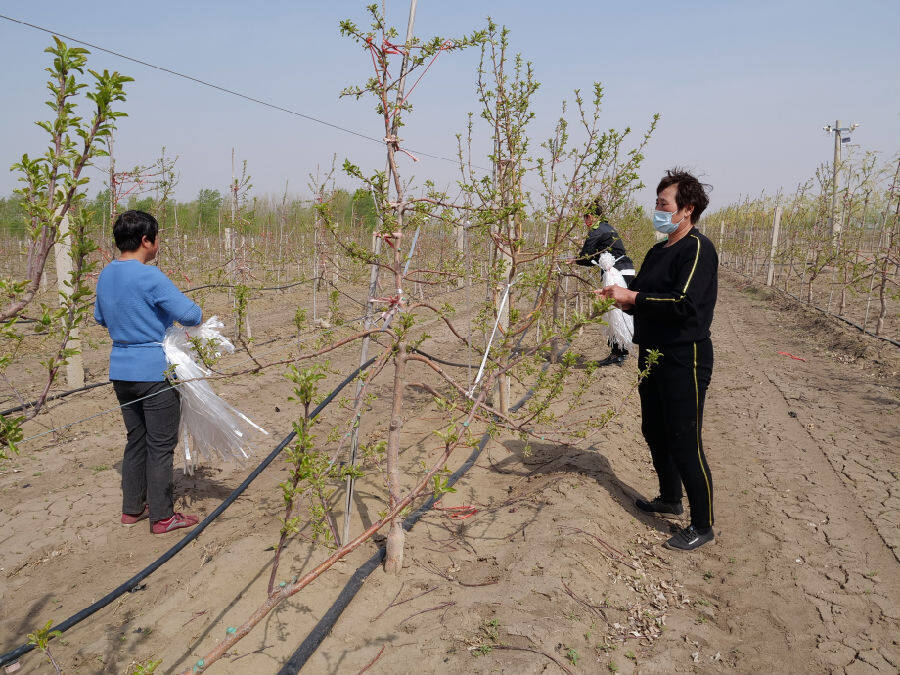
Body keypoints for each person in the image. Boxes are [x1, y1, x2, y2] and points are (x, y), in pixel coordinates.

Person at [599, 170, 718, 551]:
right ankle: (670, 498)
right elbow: (645, 296)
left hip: (684, 356)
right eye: (656, 203)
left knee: (685, 440)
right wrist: (623, 300)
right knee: (654, 429)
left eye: (663, 204)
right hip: (651, 353)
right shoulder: (657, 251)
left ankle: (702, 524)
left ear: (687, 209)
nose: (657, 209)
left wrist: (633, 300)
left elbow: (684, 304)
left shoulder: (697, 250)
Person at [94, 210, 202, 535]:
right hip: (154, 371)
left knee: (136, 440)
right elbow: (192, 314)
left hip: (120, 371)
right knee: (160, 444)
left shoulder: (106, 275)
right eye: (156, 239)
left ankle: (132, 510)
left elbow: (101, 318)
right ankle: (163, 517)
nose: (157, 245)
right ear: (145, 240)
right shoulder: (149, 276)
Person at [575, 200, 636, 366]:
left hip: (617, 273)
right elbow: (598, 255)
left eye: (585, 218)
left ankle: (618, 353)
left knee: (614, 312)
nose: (585, 222)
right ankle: (619, 351)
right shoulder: (608, 228)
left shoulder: (596, 230)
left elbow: (585, 256)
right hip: (626, 269)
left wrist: (574, 260)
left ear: (591, 216)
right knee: (621, 311)